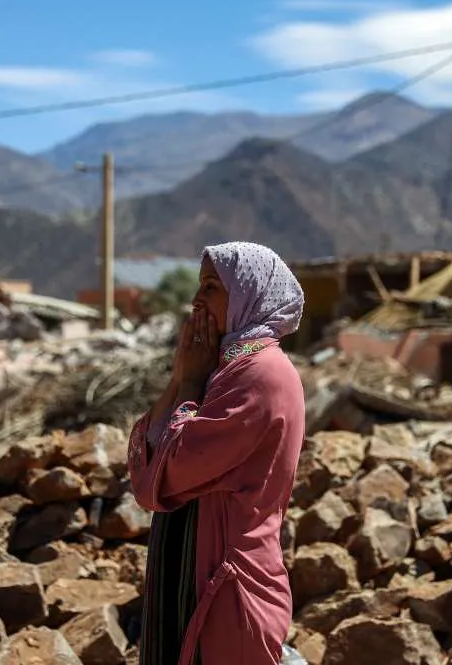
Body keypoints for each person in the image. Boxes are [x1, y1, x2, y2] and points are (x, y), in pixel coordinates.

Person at [127, 241, 306, 665]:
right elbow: (147, 467)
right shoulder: (223, 370)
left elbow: (165, 475)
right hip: (192, 578)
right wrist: (182, 376)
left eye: (210, 287)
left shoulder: (259, 375)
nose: (195, 301)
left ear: (247, 293)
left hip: (225, 591)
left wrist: (187, 385)